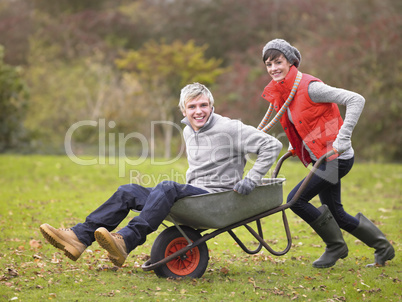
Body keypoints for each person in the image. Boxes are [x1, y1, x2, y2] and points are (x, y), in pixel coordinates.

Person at [40, 82, 282, 267]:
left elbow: (272, 145)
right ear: (183, 110)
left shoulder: (230, 128)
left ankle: (126, 240)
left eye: (203, 105)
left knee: (167, 187)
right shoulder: (189, 130)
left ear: (212, 106)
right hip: (196, 198)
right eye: (192, 107)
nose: (199, 111)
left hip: (216, 198)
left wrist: (251, 179)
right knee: (128, 191)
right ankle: (79, 238)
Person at [258, 39, 394, 268]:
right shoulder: (283, 91)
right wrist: (297, 146)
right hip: (322, 157)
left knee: (295, 200)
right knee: (336, 213)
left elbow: (356, 99)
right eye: (268, 64)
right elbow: (305, 122)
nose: (273, 68)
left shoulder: (310, 87)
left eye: (278, 62)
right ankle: (383, 247)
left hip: (336, 158)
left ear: (291, 62)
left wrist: (343, 136)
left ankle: (335, 246)